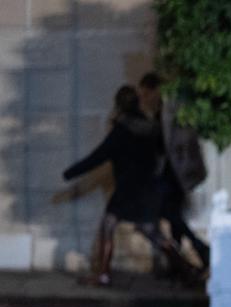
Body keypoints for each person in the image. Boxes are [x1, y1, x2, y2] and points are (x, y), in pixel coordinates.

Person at [62, 85, 198, 286]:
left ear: (119, 105)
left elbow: (98, 156)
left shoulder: (122, 130)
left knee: (108, 225)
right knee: (151, 231)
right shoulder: (151, 128)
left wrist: (70, 173)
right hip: (149, 187)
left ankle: (103, 274)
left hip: (127, 189)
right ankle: (186, 268)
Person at [138, 72, 210, 275]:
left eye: (146, 94)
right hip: (170, 172)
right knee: (174, 217)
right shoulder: (161, 110)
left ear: (155, 90)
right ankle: (180, 266)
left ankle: (199, 250)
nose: (144, 99)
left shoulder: (171, 108)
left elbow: (181, 140)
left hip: (176, 173)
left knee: (166, 214)